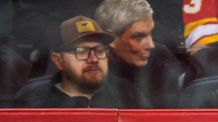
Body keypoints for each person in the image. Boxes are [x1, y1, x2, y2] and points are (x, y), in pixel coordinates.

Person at [13, 15, 148, 108]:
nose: (94, 59)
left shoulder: (126, 92)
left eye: (100, 50)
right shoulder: (32, 98)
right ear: (59, 61)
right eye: (82, 51)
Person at [94, 0, 183, 108]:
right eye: (139, 37)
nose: (151, 45)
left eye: (151, 33)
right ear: (111, 38)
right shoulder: (90, 67)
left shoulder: (161, 59)